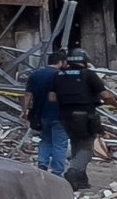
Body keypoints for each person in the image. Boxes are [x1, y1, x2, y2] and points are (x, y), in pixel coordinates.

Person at [57, 48, 110, 190]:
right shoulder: (89, 75)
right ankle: (73, 172)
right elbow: (106, 95)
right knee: (86, 146)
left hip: (65, 116)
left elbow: (52, 97)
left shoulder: (59, 75)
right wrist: (115, 104)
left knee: (76, 144)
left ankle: (81, 180)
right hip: (86, 116)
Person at [24, 48, 70, 177]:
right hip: (59, 115)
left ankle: (42, 167)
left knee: (45, 141)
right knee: (60, 144)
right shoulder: (62, 76)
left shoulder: (35, 75)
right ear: (60, 62)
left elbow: (28, 95)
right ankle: (57, 173)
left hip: (41, 115)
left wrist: (25, 111)